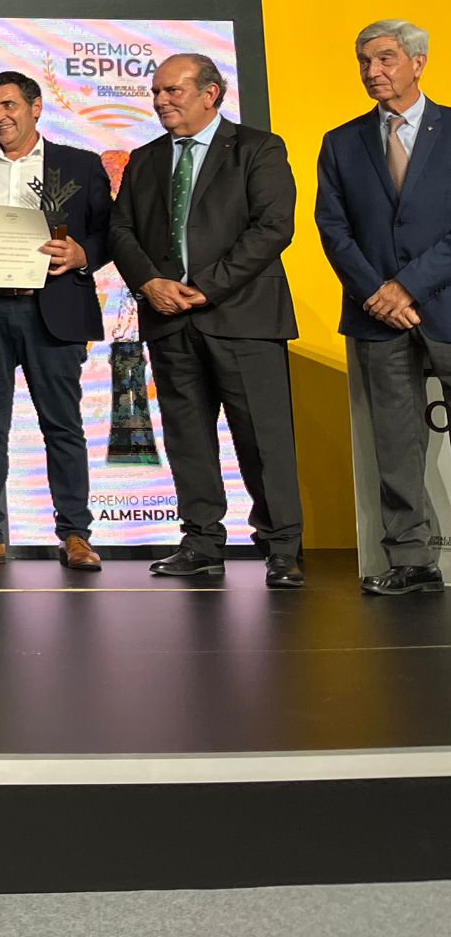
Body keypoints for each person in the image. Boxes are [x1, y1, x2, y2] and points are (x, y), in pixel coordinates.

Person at [108, 53, 303, 588]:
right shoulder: (144, 159)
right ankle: (201, 543)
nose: (161, 100)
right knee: (188, 436)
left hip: (243, 318)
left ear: (210, 94)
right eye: (156, 92)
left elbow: (273, 227)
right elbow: (120, 230)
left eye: (173, 91)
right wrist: (149, 283)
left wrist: (206, 287)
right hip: (170, 321)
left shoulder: (258, 148)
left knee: (263, 438)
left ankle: (282, 547)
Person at [0, 72, 113, 572]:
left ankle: (75, 534)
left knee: (63, 426)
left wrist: (84, 254)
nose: (0, 116)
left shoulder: (78, 165)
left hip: (54, 310)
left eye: (10, 105)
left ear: (36, 108)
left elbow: (110, 231)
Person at [315, 20, 450, 596]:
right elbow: (332, 227)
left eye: (386, 58)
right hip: (377, 317)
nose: (374, 71)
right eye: (365, 61)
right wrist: (378, 292)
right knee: (395, 444)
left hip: (442, 303)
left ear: (418, 62)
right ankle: (413, 561)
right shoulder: (341, 141)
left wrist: (408, 286)